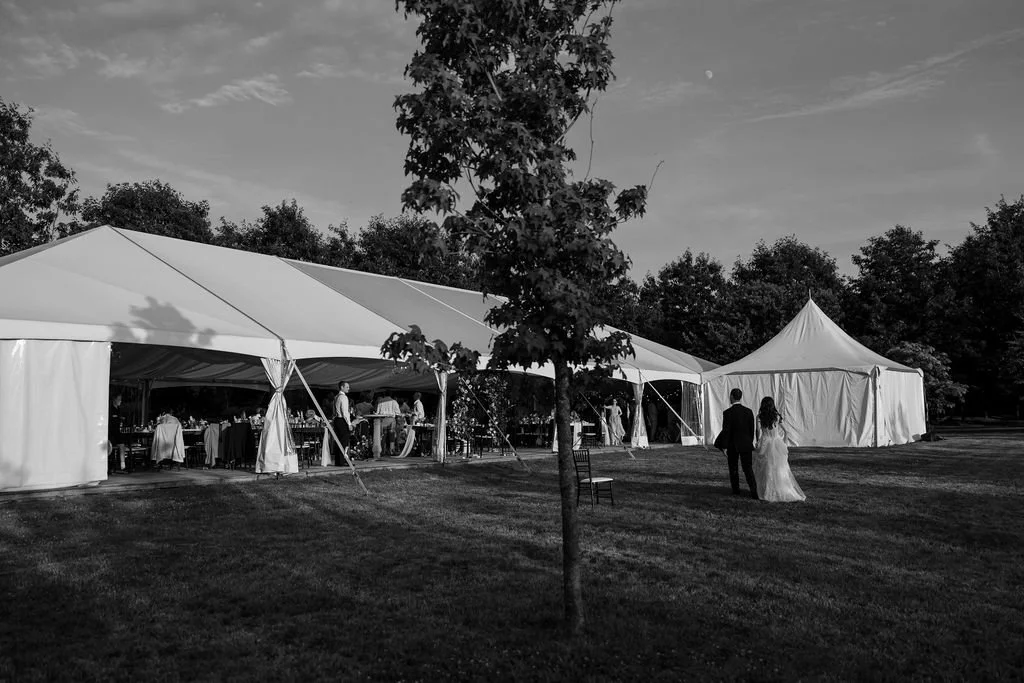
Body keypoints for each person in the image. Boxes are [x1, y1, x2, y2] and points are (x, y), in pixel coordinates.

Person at [753, 397, 806, 502]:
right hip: (777, 443)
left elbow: (757, 430)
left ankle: (766, 491)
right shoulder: (777, 416)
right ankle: (782, 489)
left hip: (765, 443)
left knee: (766, 468)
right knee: (780, 468)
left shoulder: (759, 416)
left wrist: (758, 441)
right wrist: (784, 443)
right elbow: (786, 432)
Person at [716, 387, 758, 499]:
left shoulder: (727, 413)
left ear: (731, 396)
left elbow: (726, 431)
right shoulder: (749, 412)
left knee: (733, 468)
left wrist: (724, 446)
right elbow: (751, 430)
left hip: (732, 444)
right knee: (748, 468)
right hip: (746, 443)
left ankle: (736, 490)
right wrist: (749, 442)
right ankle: (754, 491)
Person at [374, 392, 402, 457]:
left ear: (384, 394)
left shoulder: (381, 401)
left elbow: (377, 412)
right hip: (391, 419)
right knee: (392, 436)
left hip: (383, 419)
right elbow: (398, 413)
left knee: (383, 435)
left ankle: (382, 451)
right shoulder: (394, 402)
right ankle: (391, 451)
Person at [331, 381, 352, 466]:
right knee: (344, 441)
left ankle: (338, 461)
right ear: (342, 387)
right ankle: (342, 461)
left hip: (336, 420)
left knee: (338, 441)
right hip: (342, 420)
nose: (348, 388)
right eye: (347, 387)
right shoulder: (343, 397)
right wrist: (349, 424)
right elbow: (345, 412)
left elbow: (333, 410)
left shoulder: (336, 397)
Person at [108, 393, 127, 474]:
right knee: (113, 446)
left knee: (122, 444)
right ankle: (112, 465)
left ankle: (122, 464)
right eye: (119, 399)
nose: (120, 401)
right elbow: (111, 420)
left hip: (117, 431)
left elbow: (119, 419)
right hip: (111, 432)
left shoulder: (119, 409)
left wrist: (121, 419)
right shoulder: (110, 409)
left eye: (121, 399)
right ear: (114, 400)